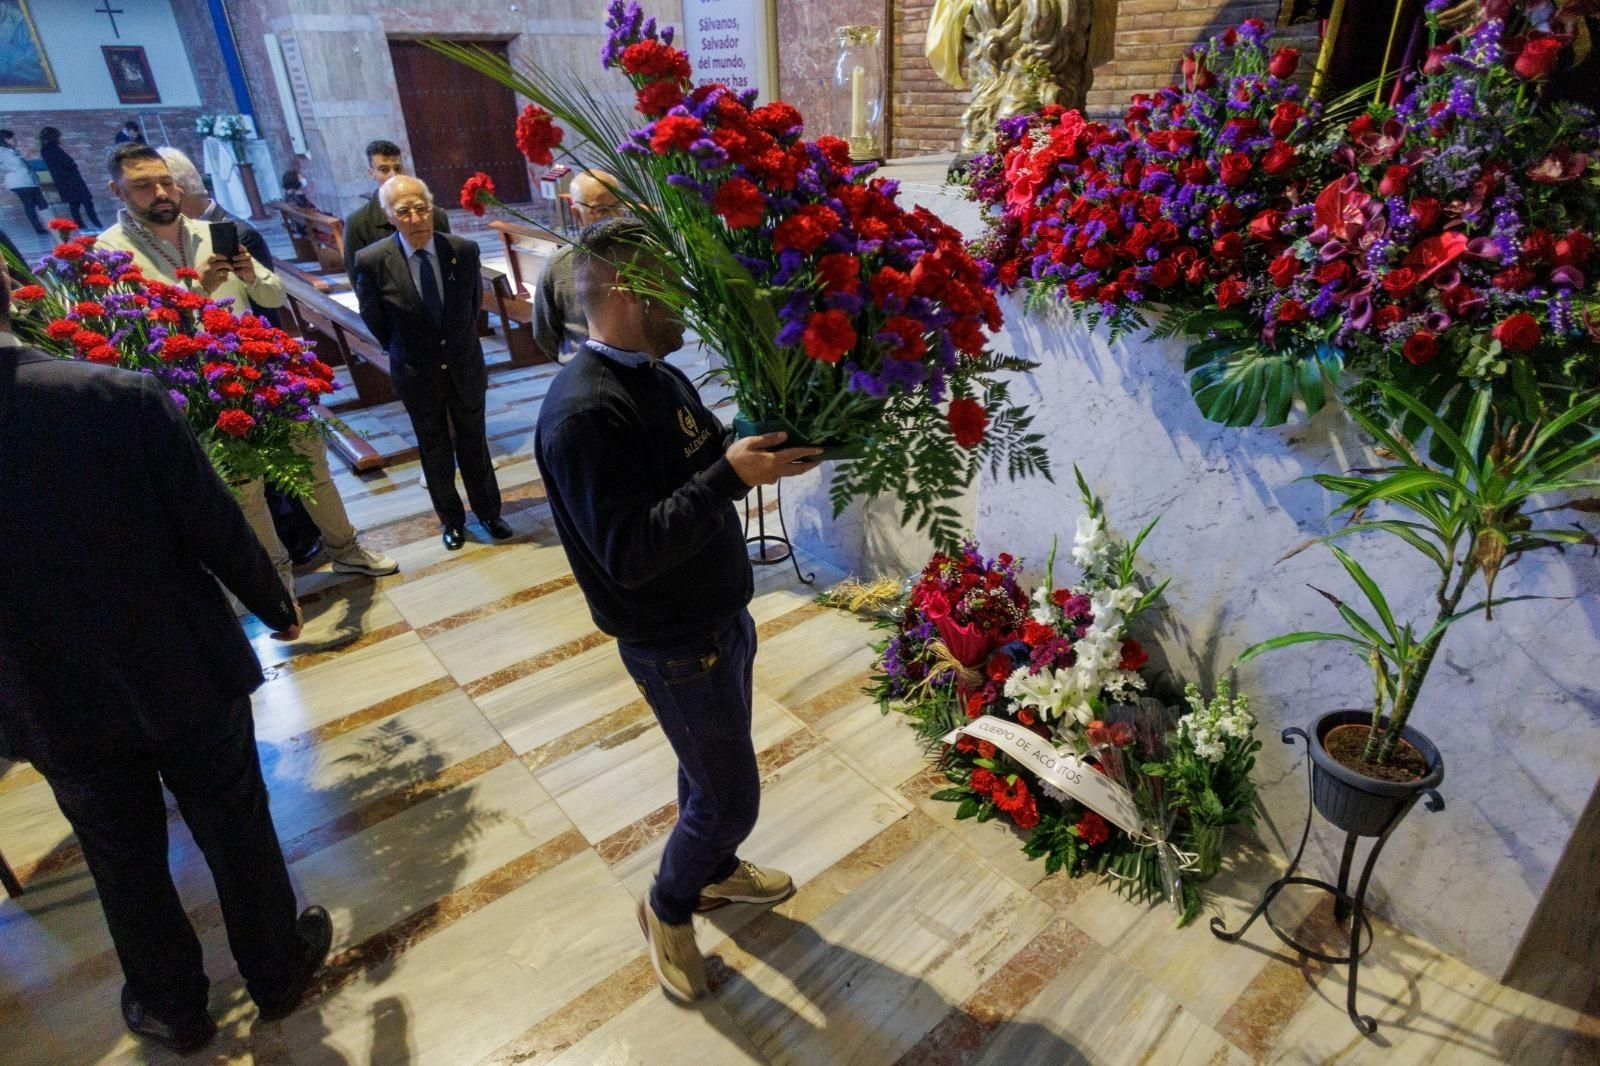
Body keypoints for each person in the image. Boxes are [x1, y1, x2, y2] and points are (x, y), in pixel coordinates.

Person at [0, 269, 332, 1055]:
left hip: (48, 695)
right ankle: (276, 971)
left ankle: (172, 1008)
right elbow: (208, 520)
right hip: (179, 664)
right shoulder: (114, 395)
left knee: (120, 854)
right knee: (234, 823)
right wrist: (271, 598)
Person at [533, 218, 822, 1002]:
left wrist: (767, 444)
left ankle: (716, 875)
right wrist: (728, 478)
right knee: (731, 795)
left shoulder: (657, 374)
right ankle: (668, 906)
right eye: (673, 282)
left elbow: (696, 462)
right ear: (632, 290)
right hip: (671, 637)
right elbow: (628, 552)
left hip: (718, 613)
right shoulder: (586, 413)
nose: (688, 300)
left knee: (707, 768)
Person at [98, 143, 398, 599]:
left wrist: (251, 276)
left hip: (261, 372)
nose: (160, 193)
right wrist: (198, 290)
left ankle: (346, 547)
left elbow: (275, 296)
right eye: (143, 185)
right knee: (246, 489)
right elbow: (131, 333)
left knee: (311, 465)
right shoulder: (110, 251)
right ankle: (276, 576)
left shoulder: (211, 231)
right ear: (117, 190)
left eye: (165, 182)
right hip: (197, 387)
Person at [355, 175, 509, 550]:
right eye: (404, 211)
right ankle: (451, 520)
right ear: (389, 216)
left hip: (464, 365)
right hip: (416, 371)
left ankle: (489, 512)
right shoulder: (373, 260)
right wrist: (412, 349)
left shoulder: (463, 250)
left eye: (421, 208)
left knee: (475, 441)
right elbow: (376, 320)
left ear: (432, 209)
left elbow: (471, 308)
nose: (416, 218)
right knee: (434, 447)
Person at [533, 169, 626, 361]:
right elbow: (545, 333)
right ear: (576, 213)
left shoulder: (643, 256)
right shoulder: (558, 265)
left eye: (618, 205)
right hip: (585, 375)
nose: (613, 216)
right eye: (600, 209)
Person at [342, 139, 449, 277]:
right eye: (384, 170)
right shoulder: (358, 223)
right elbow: (357, 274)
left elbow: (450, 260)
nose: (393, 175)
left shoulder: (434, 214)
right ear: (371, 173)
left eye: (397, 168)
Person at [39, 127, 103, 230]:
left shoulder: (45, 149)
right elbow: (66, 163)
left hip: (64, 182)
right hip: (71, 180)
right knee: (86, 202)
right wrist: (73, 165)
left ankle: (81, 225)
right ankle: (97, 224)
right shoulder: (53, 148)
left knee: (74, 204)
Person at [0, 129, 47, 235]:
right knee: (29, 204)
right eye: (13, 138)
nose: (15, 140)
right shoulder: (3, 152)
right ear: (6, 139)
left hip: (27, 180)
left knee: (41, 203)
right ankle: (38, 227)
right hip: (19, 182)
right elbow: (17, 165)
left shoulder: (11, 151)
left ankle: (47, 224)